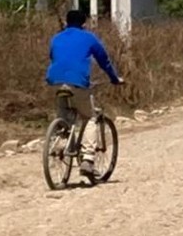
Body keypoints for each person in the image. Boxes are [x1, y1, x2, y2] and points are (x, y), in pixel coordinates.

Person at [45, 9, 124, 179]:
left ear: (66, 22)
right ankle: (88, 158)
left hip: (56, 81)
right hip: (78, 82)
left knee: (65, 117)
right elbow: (104, 60)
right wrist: (114, 78)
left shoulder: (56, 38)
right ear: (84, 23)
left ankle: (61, 143)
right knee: (90, 117)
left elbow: (54, 57)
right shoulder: (89, 37)